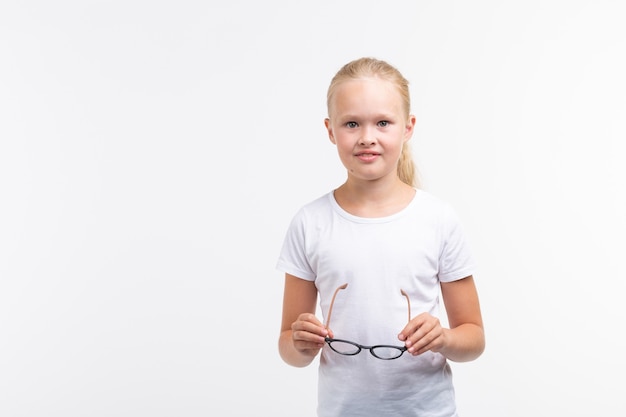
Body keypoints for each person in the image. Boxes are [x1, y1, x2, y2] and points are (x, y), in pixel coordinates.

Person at [276, 57, 485, 417]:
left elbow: (474, 338)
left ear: (408, 127)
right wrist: (300, 344)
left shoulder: (438, 219)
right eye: (352, 123)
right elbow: (289, 349)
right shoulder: (310, 222)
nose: (367, 137)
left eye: (383, 123)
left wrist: (445, 338)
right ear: (330, 130)